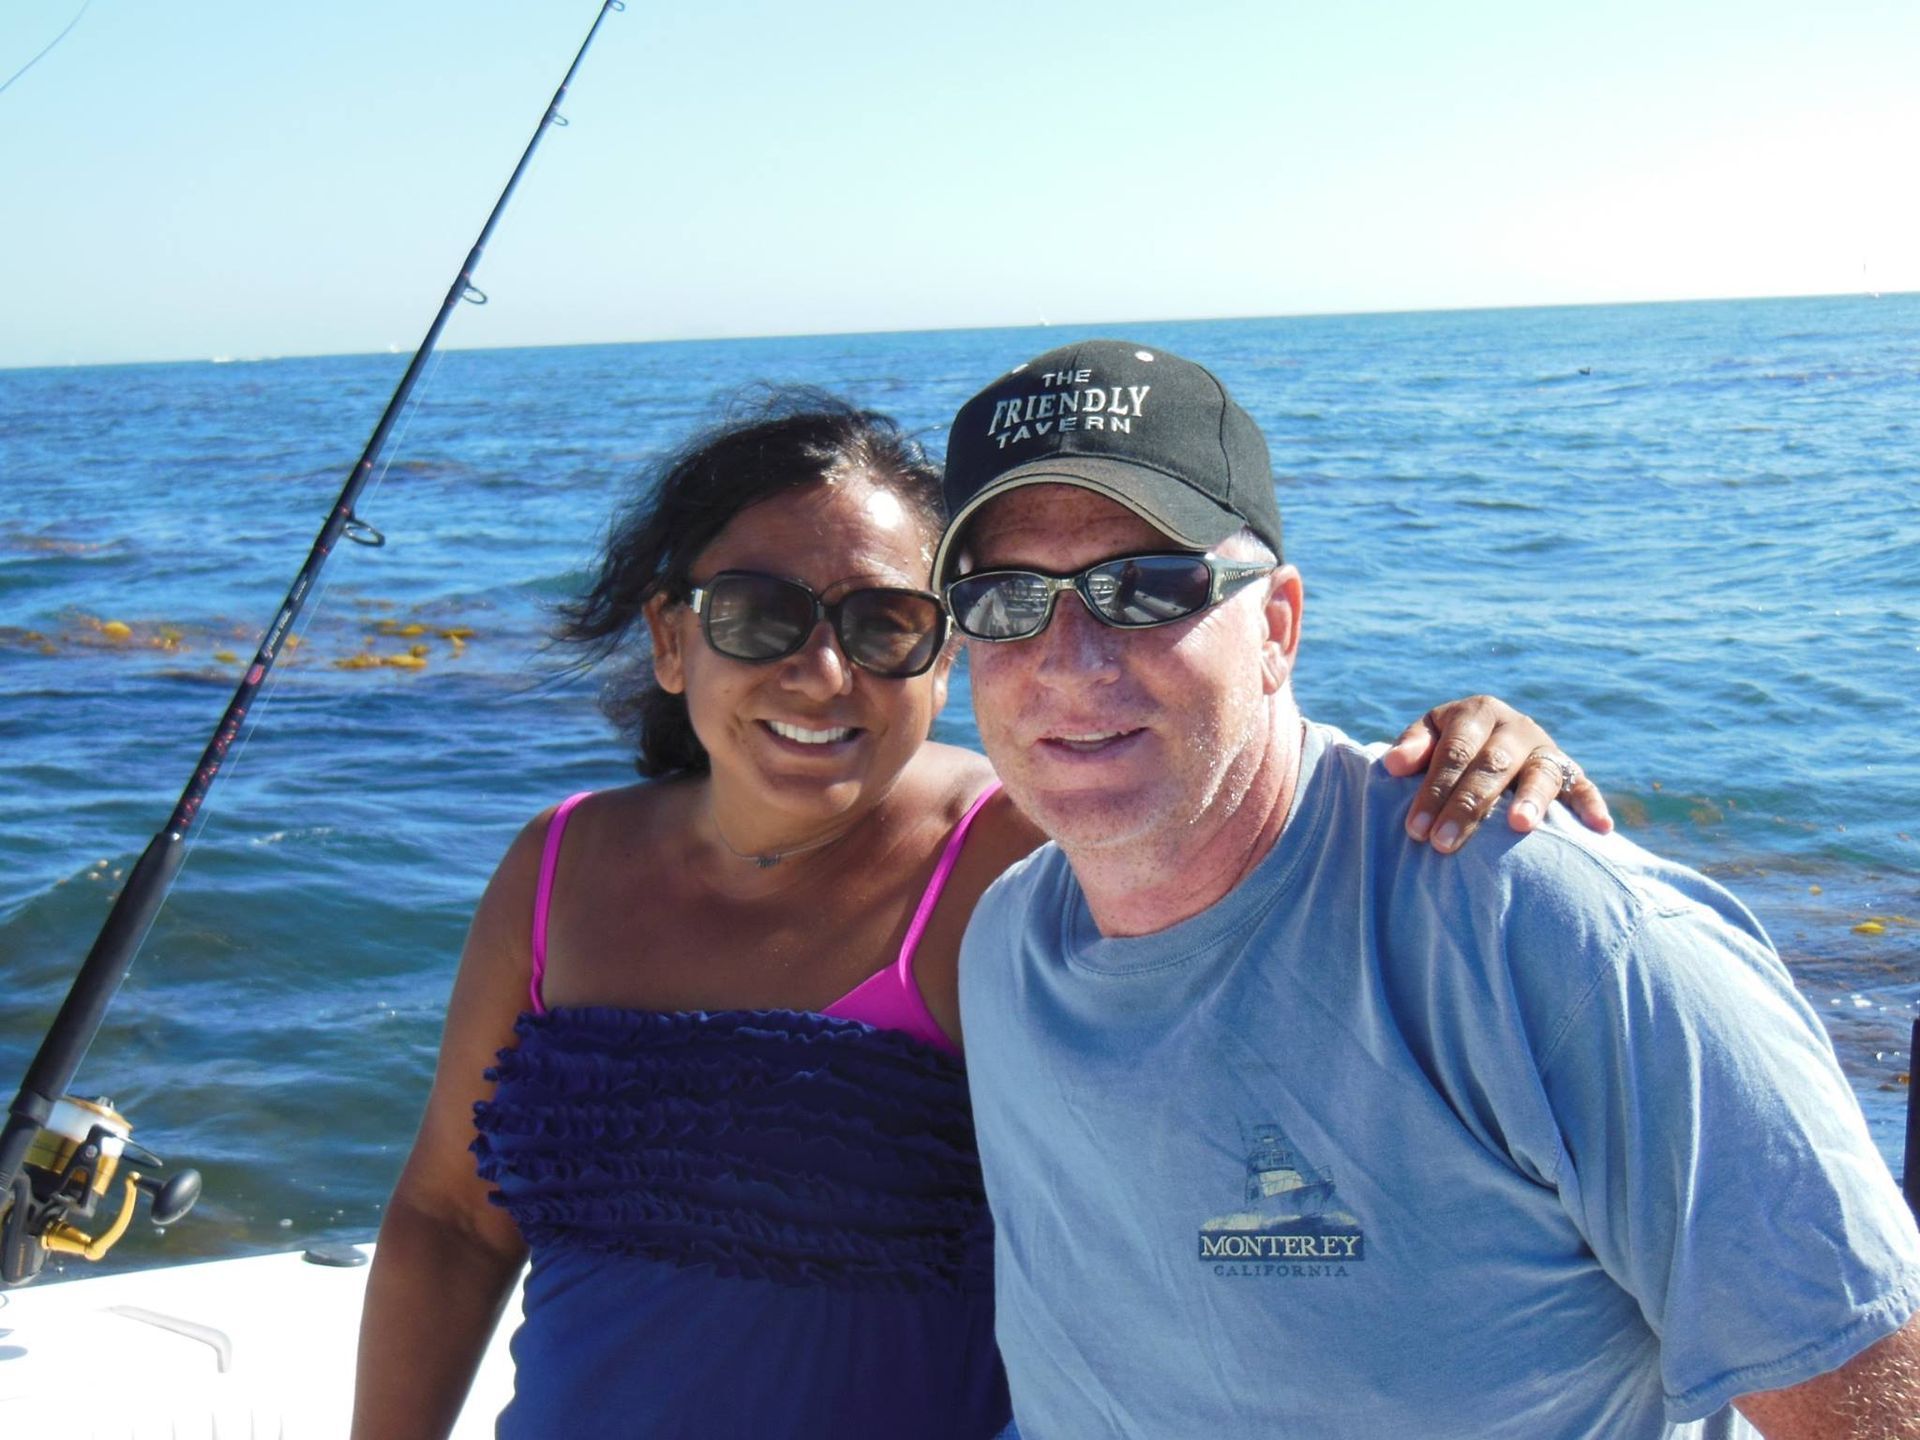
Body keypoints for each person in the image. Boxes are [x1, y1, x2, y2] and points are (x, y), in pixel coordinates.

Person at [350, 389, 1609, 1439]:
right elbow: (452, 1219)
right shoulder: (559, 863)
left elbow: (1253, 833)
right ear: (674, 644)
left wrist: (1465, 749)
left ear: (950, 651)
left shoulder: (1025, 855)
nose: (821, 671)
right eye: (758, 617)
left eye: (885, 623)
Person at [942, 340, 1920, 1439]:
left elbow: (1871, 1399)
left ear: (1277, 627)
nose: (1070, 658)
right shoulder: (1005, 950)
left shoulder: (1551, 939)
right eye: (1005, 599)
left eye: (1146, 588)